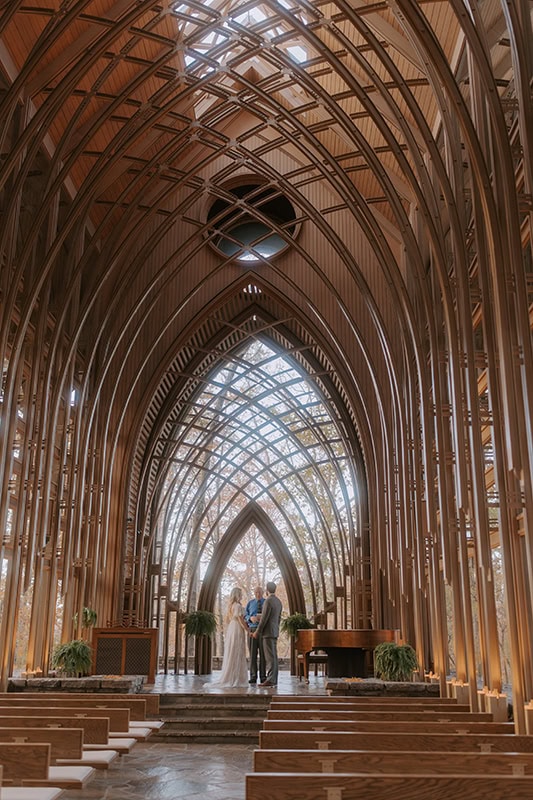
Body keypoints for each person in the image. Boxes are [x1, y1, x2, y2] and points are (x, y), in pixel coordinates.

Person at [206, 587, 249, 688]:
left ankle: (232, 675)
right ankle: (236, 677)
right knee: (237, 651)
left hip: (232, 628)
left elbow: (229, 620)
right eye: (240, 594)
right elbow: (241, 620)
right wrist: (248, 630)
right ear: (237, 595)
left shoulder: (231, 606)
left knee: (233, 651)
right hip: (237, 628)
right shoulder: (238, 606)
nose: (242, 596)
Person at [252, 581, 282, 687]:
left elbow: (264, 619)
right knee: (274, 656)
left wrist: (257, 632)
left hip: (267, 633)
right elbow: (278, 618)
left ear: (267, 590)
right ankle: (274, 679)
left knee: (269, 658)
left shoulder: (268, 601)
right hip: (274, 631)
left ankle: (270, 680)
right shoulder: (278, 601)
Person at [244, 586, 265, 684]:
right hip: (252, 629)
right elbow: (245, 615)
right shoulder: (250, 603)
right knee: (252, 654)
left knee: (263, 655)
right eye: (256, 592)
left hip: (263, 631)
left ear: (263, 592)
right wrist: (250, 618)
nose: (258, 594)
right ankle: (253, 676)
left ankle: (263, 677)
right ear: (254, 593)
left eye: (260, 592)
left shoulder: (266, 602)